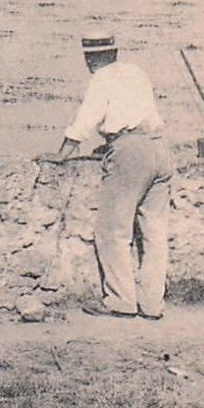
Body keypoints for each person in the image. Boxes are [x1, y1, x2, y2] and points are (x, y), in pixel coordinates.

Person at [46, 28, 171, 320]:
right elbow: (135, 112)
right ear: (114, 52)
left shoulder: (101, 78)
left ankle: (121, 300)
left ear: (91, 59)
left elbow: (86, 120)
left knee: (113, 229)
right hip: (161, 148)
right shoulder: (136, 72)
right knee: (154, 232)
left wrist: (62, 154)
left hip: (131, 151)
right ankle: (153, 305)